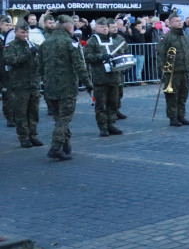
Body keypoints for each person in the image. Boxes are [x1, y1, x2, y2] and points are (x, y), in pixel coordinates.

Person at [39, 15, 91, 161]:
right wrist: (88, 83)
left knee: (59, 119)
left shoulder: (45, 43)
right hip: (67, 87)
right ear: (69, 27)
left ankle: (66, 146)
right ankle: (55, 147)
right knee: (64, 119)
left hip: (50, 87)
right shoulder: (71, 43)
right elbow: (80, 66)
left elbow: (40, 68)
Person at [83, 18, 128, 136]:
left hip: (114, 76)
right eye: (102, 27)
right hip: (100, 77)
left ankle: (111, 124)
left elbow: (121, 53)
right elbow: (87, 56)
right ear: (96, 28)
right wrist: (101, 56)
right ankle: (103, 127)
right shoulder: (92, 41)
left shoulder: (114, 40)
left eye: (106, 27)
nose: (105, 29)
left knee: (113, 103)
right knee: (101, 104)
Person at [3, 19, 44, 148]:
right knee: (21, 112)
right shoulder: (10, 46)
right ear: (15, 32)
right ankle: (23, 137)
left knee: (33, 111)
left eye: (27, 32)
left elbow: (40, 60)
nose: (25, 35)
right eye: (22, 32)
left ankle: (33, 135)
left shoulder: (31, 44)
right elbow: (12, 60)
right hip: (19, 85)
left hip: (33, 83)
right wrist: (27, 53)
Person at [157, 10, 189, 126]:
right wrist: (162, 70)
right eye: (177, 21)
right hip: (173, 72)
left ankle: (181, 115)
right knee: (172, 96)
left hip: (185, 71)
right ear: (170, 23)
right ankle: (173, 117)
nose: (180, 23)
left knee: (183, 95)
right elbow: (161, 55)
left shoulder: (184, 35)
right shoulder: (167, 37)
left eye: (180, 21)